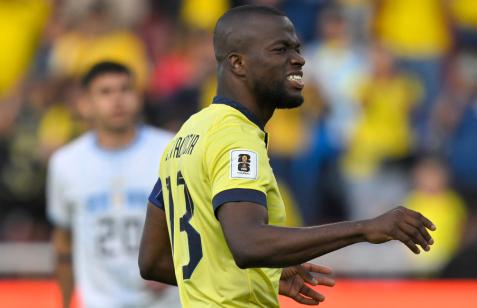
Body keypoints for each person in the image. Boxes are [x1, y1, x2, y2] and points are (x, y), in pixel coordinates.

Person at [139, 5, 436, 307]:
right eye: (280, 49)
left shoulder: (188, 134)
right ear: (238, 63)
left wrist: (258, 276)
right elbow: (248, 243)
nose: (298, 59)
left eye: (296, 48)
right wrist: (365, 227)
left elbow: (152, 260)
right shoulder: (235, 137)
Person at [47, 61, 179, 308]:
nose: (117, 100)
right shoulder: (65, 163)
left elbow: (197, 222)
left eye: (125, 89)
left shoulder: (170, 149)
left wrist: (172, 264)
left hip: (166, 302)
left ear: (138, 97)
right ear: (85, 103)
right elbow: (63, 242)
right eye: (105, 92)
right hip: (101, 302)